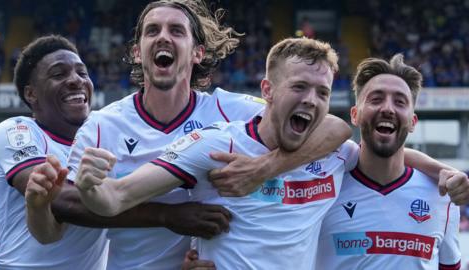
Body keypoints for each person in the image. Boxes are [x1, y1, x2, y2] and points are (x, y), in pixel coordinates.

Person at [24, 1, 350, 269]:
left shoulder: (231, 111)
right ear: (138, 51)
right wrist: (169, 216)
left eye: (176, 31)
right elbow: (71, 208)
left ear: (197, 53)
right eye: (153, 31)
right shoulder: (101, 126)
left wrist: (264, 168)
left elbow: (331, 127)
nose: (163, 37)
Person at [316, 54, 461, 269]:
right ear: (354, 115)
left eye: (400, 102)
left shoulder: (442, 196)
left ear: (412, 122)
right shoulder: (322, 188)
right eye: (376, 99)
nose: (388, 109)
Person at [0, 35, 108, 269]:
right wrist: (167, 216)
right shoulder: (17, 130)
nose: (76, 80)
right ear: (31, 94)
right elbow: (60, 201)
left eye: (82, 73)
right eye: (58, 74)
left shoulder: (104, 134)